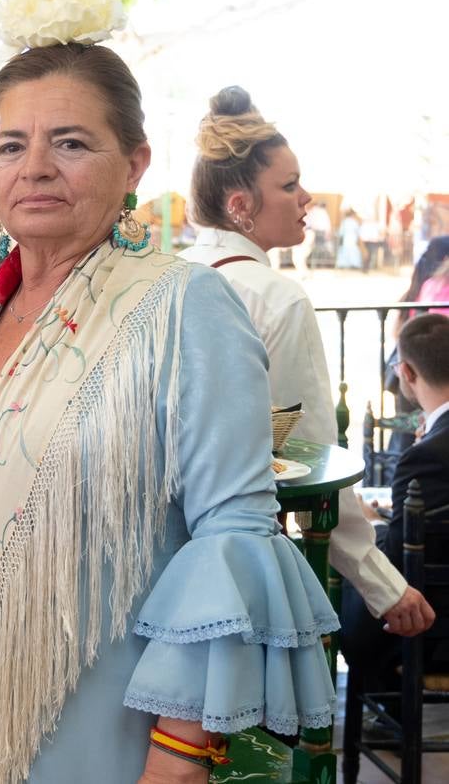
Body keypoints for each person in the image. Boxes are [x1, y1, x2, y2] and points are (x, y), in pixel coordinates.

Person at [0, 0, 339, 783]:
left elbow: (232, 533)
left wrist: (177, 757)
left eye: (69, 142)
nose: (34, 167)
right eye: (12, 145)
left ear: (134, 160)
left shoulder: (184, 305)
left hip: (109, 724)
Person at [178, 86, 433, 641]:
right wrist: (384, 585)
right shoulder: (275, 298)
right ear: (239, 204)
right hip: (234, 558)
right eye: (289, 186)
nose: (306, 197)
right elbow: (315, 461)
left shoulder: (166, 275)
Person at [341, 313, 449, 692]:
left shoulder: (427, 455)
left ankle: (381, 701)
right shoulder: (431, 445)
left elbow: (401, 555)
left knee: (342, 575)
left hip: (433, 632)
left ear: (405, 372)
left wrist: (370, 524)